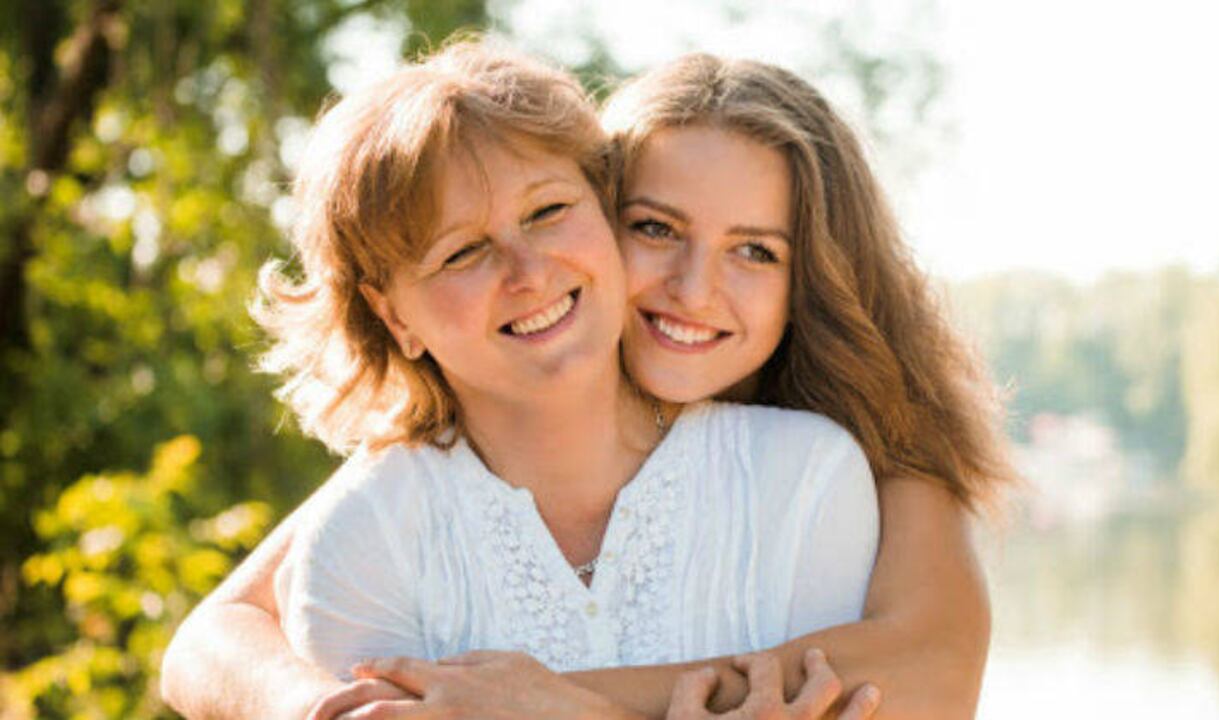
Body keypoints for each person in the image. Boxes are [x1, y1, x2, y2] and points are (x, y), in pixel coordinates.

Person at [161, 42, 1012, 720]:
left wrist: (553, 705)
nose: (693, 289)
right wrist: (321, 707)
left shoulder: (853, 452)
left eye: (756, 251)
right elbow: (213, 636)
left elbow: (930, 674)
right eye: (655, 228)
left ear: (813, 282)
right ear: (606, 210)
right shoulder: (403, 502)